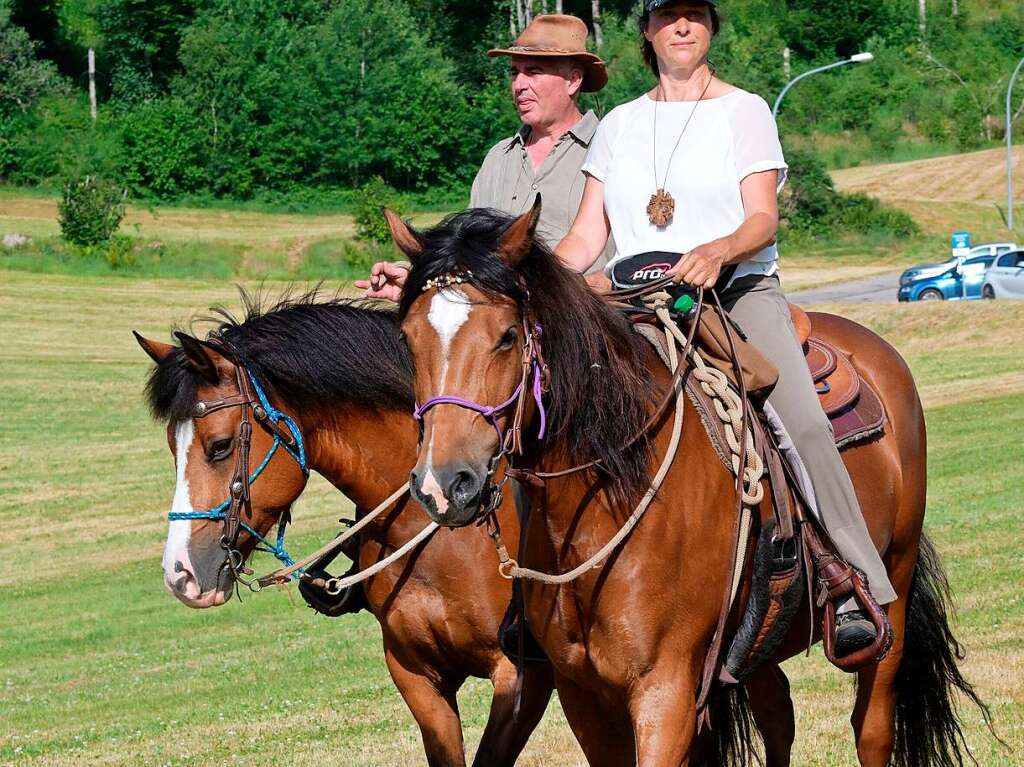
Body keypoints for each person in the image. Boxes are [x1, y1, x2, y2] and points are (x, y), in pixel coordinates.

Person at [554, 0, 897, 653]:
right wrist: (543, 276)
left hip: (734, 294)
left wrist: (719, 250)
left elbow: (762, 218)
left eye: (696, 14)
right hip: (632, 304)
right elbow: (584, 235)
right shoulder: (620, 126)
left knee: (802, 421)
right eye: (667, 14)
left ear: (709, 26)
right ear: (647, 30)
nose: (683, 26)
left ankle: (850, 580)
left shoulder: (745, 110)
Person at [356, 14, 612, 300]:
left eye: (534, 71)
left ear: (573, 80)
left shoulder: (610, 149)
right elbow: (468, 251)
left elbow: (635, 255)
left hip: (589, 329)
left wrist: (586, 291)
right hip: (503, 333)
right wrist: (416, 278)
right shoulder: (499, 158)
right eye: (514, 72)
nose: (519, 85)